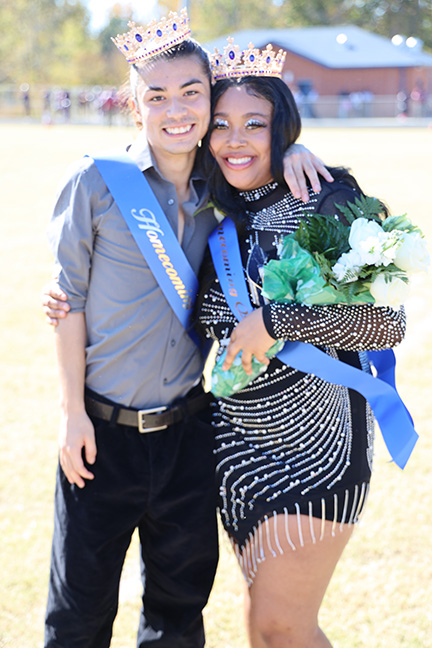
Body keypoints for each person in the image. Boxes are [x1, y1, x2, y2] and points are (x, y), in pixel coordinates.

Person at [42, 10, 329, 648]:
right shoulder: (96, 181)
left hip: (188, 435)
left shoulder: (222, 183)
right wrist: (71, 415)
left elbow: (264, 153)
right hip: (100, 435)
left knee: (177, 613)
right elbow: (70, 301)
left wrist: (295, 147)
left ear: (210, 98)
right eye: (157, 96)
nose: (177, 110)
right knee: (78, 615)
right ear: (134, 105)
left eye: (192, 93)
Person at [193, 41, 407, 647]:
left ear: (282, 128)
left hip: (317, 449)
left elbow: (384, 324)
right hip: (234, 444)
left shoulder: (326, 199)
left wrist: (275, 320)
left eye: (255, 124)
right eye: (222, 125)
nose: (236, 140)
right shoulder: (212, 207)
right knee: (263, 624)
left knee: (281, 625)